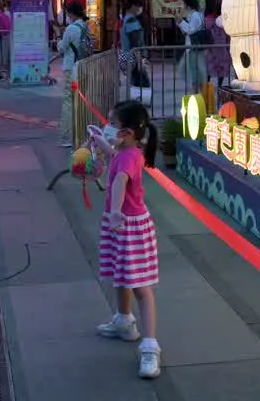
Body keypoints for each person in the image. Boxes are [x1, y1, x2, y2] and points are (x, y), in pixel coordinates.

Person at [95, 100, 163, 379]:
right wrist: (103, 144)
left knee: (140, 287)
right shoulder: (127, 150)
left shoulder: (128, 157)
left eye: (112, 123)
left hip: (128, 226)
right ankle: (124, 321)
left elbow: (121, 181)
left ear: (128, 133)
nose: (108, 126)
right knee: (121, 276)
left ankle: (150, 347)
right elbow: (118, 159)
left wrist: (113, 213)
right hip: (124, 224)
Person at [57, 0, 89, 147]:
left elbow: (62, 48)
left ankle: (67, 136)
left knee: (68, 101)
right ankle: (82, 133)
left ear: (70, 13)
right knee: (81, 100)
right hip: (83, 67)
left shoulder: (70, 29)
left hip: (71, 68)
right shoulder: (85, 26)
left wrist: (58, 40)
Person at [178, 0, 207, 93]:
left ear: (188, 5)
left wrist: (181, 22)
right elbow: (188, 31)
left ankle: (198, 96)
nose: (182, 6)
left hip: (194, 49)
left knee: (195, 74)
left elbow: (191, 30)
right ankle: (198, 95)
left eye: (183, 3)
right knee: (194, 73)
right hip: (193, 48)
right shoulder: (195, 15)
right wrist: (181, 23)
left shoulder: (195, 15)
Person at [204, 8, 231, 90]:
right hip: (222, 48)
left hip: (211, 48)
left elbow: (206, 33)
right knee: (221, 69)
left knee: (209, 69)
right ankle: (219, 87)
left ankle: (207, 88)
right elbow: (228, 36)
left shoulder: (208, 20)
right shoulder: (225, 20)